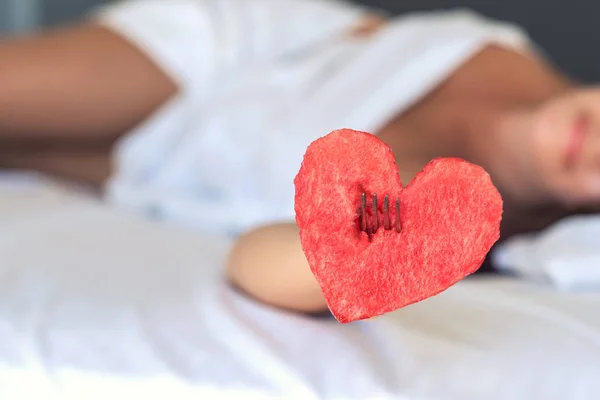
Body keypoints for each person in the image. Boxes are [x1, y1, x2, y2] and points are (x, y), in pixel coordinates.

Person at [0, 0, 599, 315]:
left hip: (158, 179)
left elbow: (266, 260)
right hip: (216, 66)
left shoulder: (454, 213)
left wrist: (355, 262)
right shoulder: (501, 56)